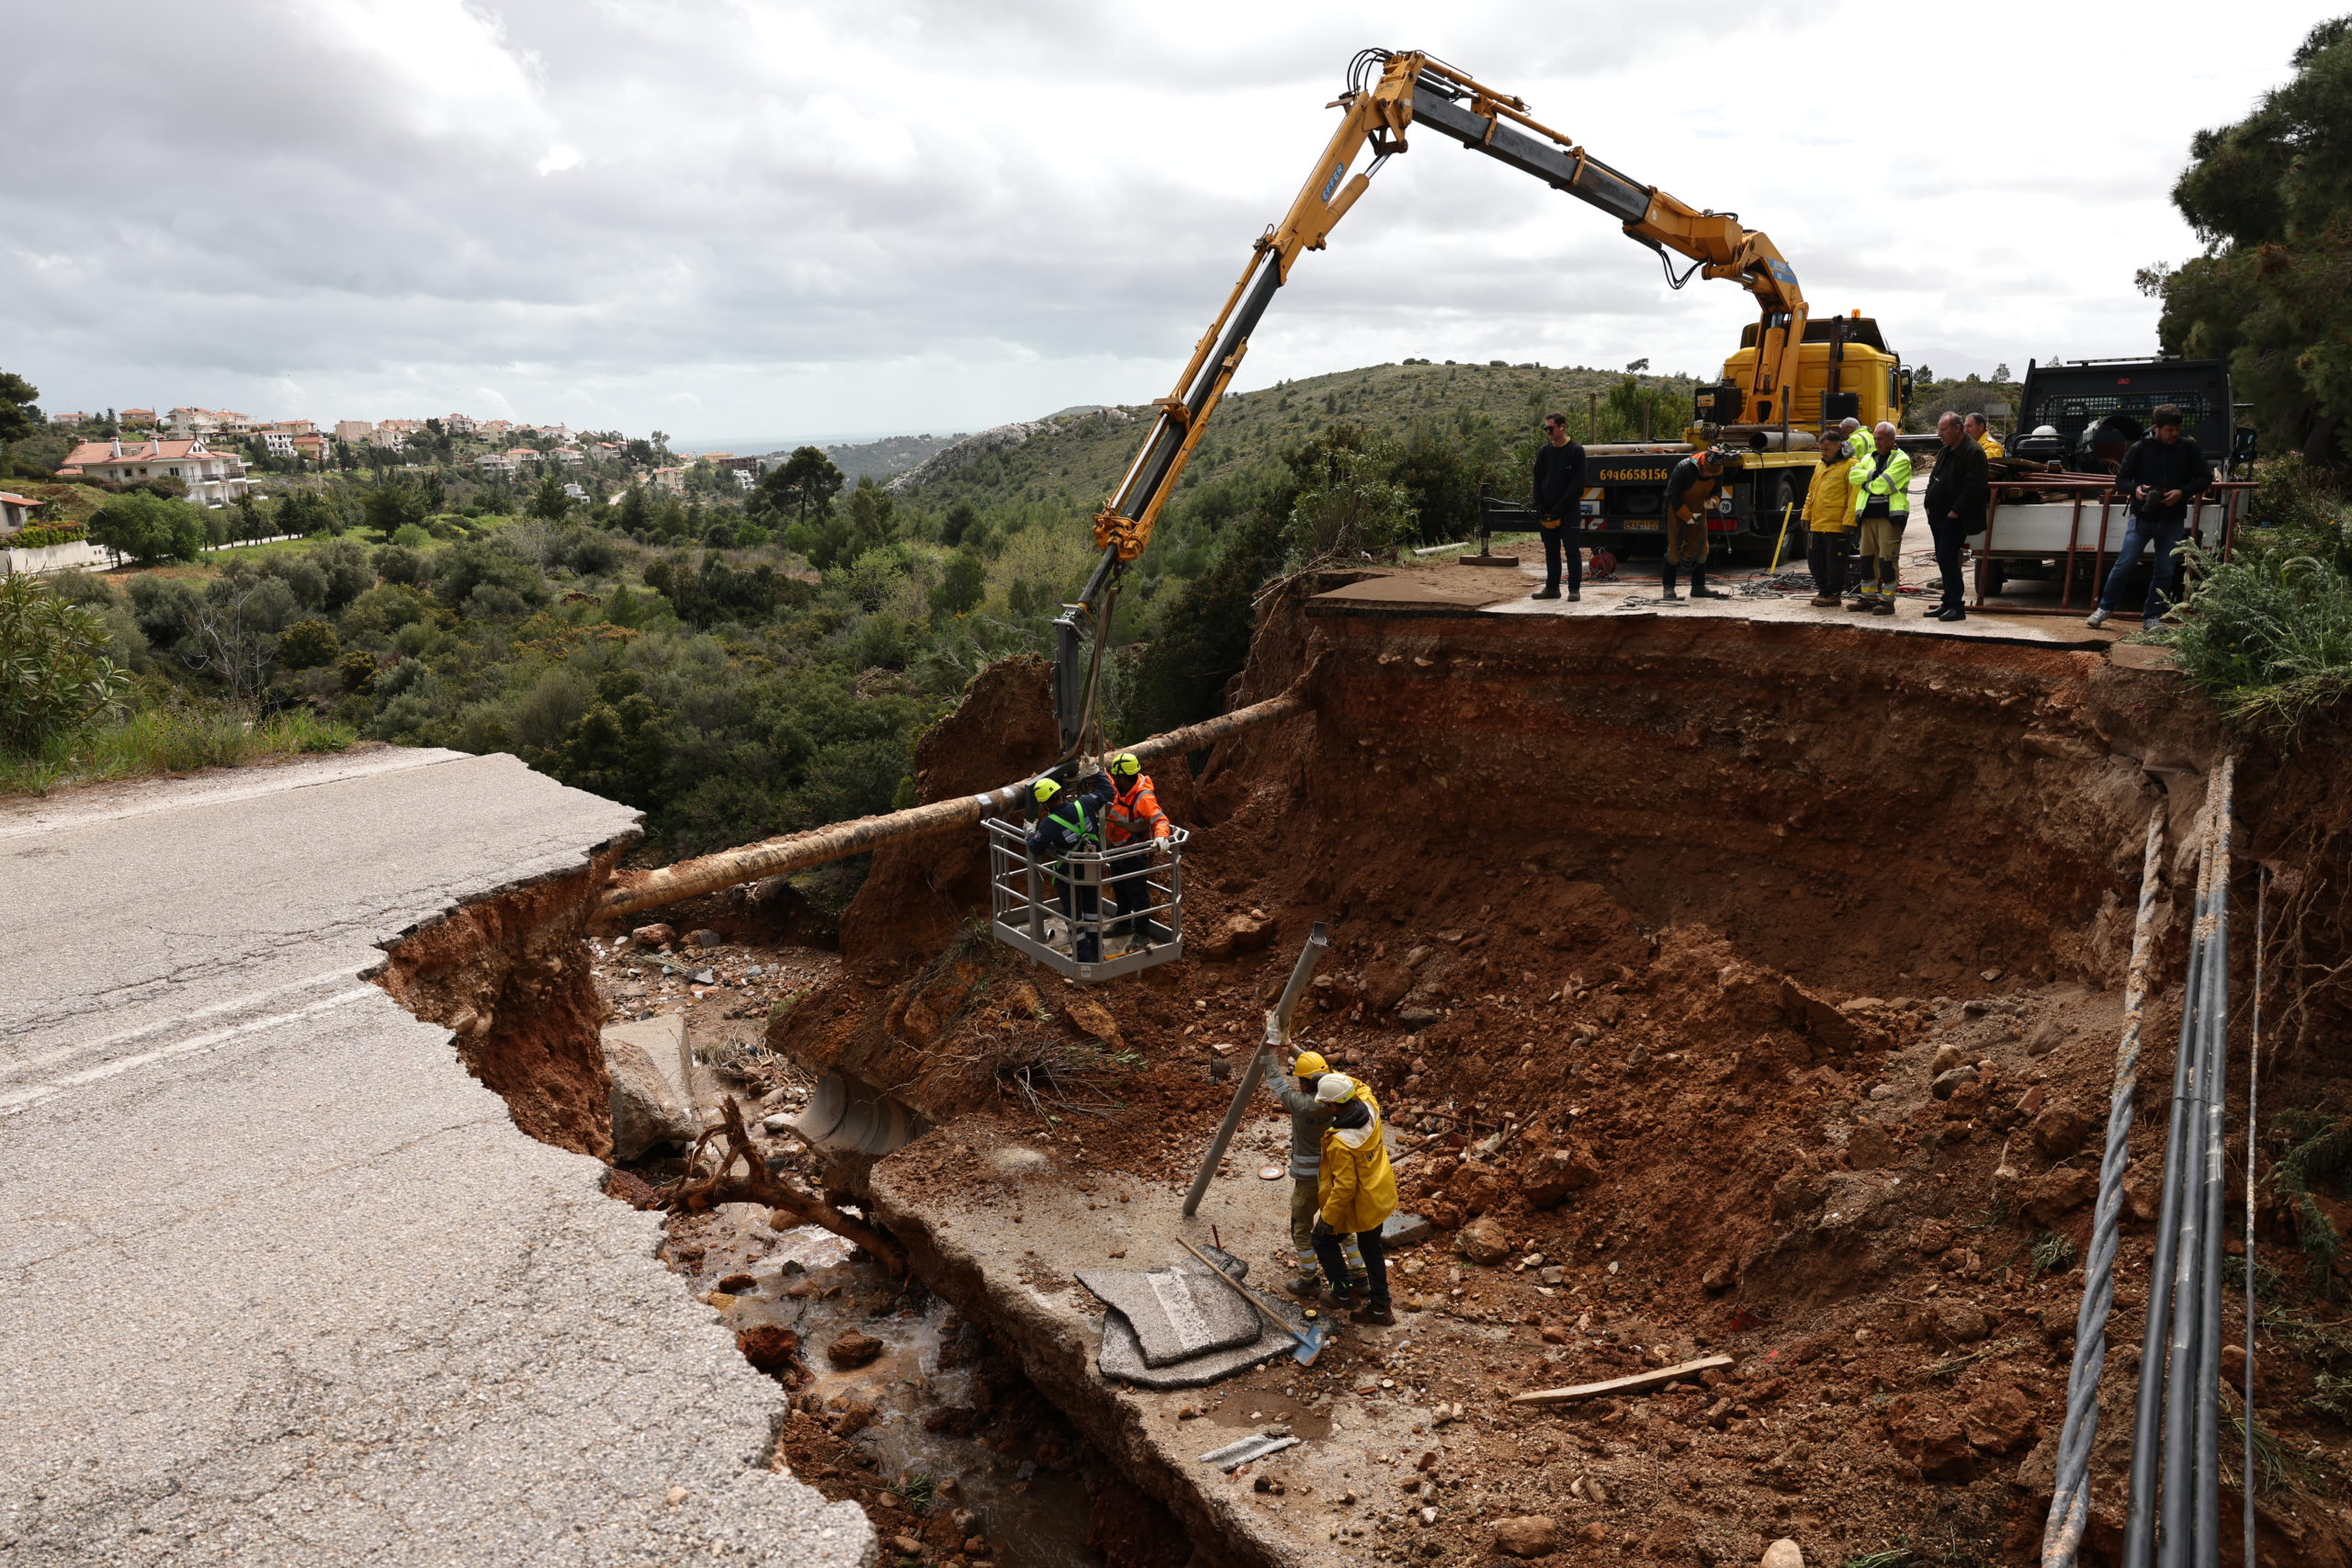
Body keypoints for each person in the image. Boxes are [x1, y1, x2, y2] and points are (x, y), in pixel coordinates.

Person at [2087, 404, 2212, 631]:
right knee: (2124, 564)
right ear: (2156, 428)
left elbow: (2205, 477)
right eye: (2170, 430)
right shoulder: (2139, 448)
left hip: (2173, 519)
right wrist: (2135, 490)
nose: (2175, 434)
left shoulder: (2189, 449)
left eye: (2177, 429)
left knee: (2165, 569)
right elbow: (2121, 479)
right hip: (2142, 517)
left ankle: (2152, 617)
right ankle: (2104, 608)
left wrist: (2182, 492)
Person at [1265, 1050, 1365, 1296]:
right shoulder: (1337, 1099)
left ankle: (1309, 1278)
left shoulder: (1303, 1105)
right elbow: (1328, 1077)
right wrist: (1291, 1046)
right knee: (1341, 1225)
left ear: (1304, 1083)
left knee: (1301, 1227)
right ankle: (1360, 1275)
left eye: (1299, 1079)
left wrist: (1270, 1053)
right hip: (1333, 1176)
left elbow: (1275, 1082)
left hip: (1308, 1180)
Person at [1312, 1073, 1396, 1325]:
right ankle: (1381, 1306)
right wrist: (1329, 1077)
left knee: (1321, 1240)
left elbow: (1345, 1188)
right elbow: (1361, 1085)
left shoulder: (1342, 1143)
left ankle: (1342, 1291)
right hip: (1380, 1195)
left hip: (1361, 1204)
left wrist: (1328, 1218)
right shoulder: (1370, 1108)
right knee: (1372, 1249)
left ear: (1334, 1106)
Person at [1025, 773, 1114, 963]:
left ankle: (1082, 958)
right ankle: (1096, 953)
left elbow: (1035, 848)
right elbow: (1108, 791)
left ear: (1045, 804)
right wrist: (1095, 772)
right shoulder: (1085, 804)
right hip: (1092, 869)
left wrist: (1030, 832)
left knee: (1073, 915)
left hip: (1069, 876)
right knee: (1091, 910)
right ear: (1061, 793)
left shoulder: (1049, 824)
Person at [1921, 412, 1988, 622]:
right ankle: (1947, 602)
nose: (1939, 434)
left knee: (1948, 559)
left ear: (1957, 428)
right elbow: (1935, 478)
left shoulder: (1973, 452)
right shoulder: (1946, 449)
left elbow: (1974, 489)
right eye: (1939, 429)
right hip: (1938, 516)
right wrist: (1928, 504)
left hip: (1955, 518)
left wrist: (1954, 512)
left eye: (1943, 429)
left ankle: (1956, 607)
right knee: (1943, 559)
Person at [1101, 750, 1172, 948]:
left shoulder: (1143, 798)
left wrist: (1161, 836)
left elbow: (1160, 819)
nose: (1114, 780)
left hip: (1133, 853)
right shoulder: (1123, 787)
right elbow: (1109, 782)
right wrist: (1096, 771)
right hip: (1117, 849)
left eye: (1116, 777)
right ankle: (1123, 924)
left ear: (1124, 777)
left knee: (1138, 894)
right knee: (1120, 888)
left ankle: (1142, 934)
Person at [1845, 422, 1912, 615]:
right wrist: (1874, 476)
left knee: (1887, 561)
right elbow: (1853, 476)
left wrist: (1867, 482)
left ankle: (1887, 601)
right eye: (1875, 438)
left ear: (1892, 439)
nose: (1877, 442)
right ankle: (1868, 598)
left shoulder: (1901, 459)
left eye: (1880, 439)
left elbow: (1885, 485)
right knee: (1866, 560)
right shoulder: (1868, 457)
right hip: (1867, 516)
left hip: (1889, 517)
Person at [1660, 446, 1731, 602]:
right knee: (1673, 550)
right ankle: (1669, 588)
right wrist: (1687, 516)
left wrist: (1714, 501)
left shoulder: (1718, 470)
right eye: (1707, 472)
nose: (1709, 475)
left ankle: (1698, 587)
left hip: (1699, 510)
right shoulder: (1684, 468)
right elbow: (1671, 494)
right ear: (1703, 462)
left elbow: (1717, 492)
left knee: (1701, 548)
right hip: (1677, 510)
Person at [1530, 412, 1588, 602]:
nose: (1548, 431)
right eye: (1546, 428)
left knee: (1572, 550)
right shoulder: (1544, 452)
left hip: (1568, 510)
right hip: (1547, 510)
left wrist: (1558, 510)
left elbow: (1576, 487)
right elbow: (1537, 480)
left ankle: (1574, 589)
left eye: (1551, 428)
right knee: (1551, 550)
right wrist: (1539, 504)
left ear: (1562, 427)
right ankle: (1552, 588)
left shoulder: (1576, 451)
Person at [1801, 431, 1854, 607]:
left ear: (1838, 446)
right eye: (1821, 449)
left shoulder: (1851, 465)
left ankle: (1834, 594)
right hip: (1818, 523)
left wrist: (1849, 520)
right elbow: (1811, 493)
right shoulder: (1820, 465)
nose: (1823, 453)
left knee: (1835, 561)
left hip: (1837, 524)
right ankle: (1824, 591)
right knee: (1814, 559)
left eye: (1826, 449)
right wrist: (1806, 515)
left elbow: (1854, 495)